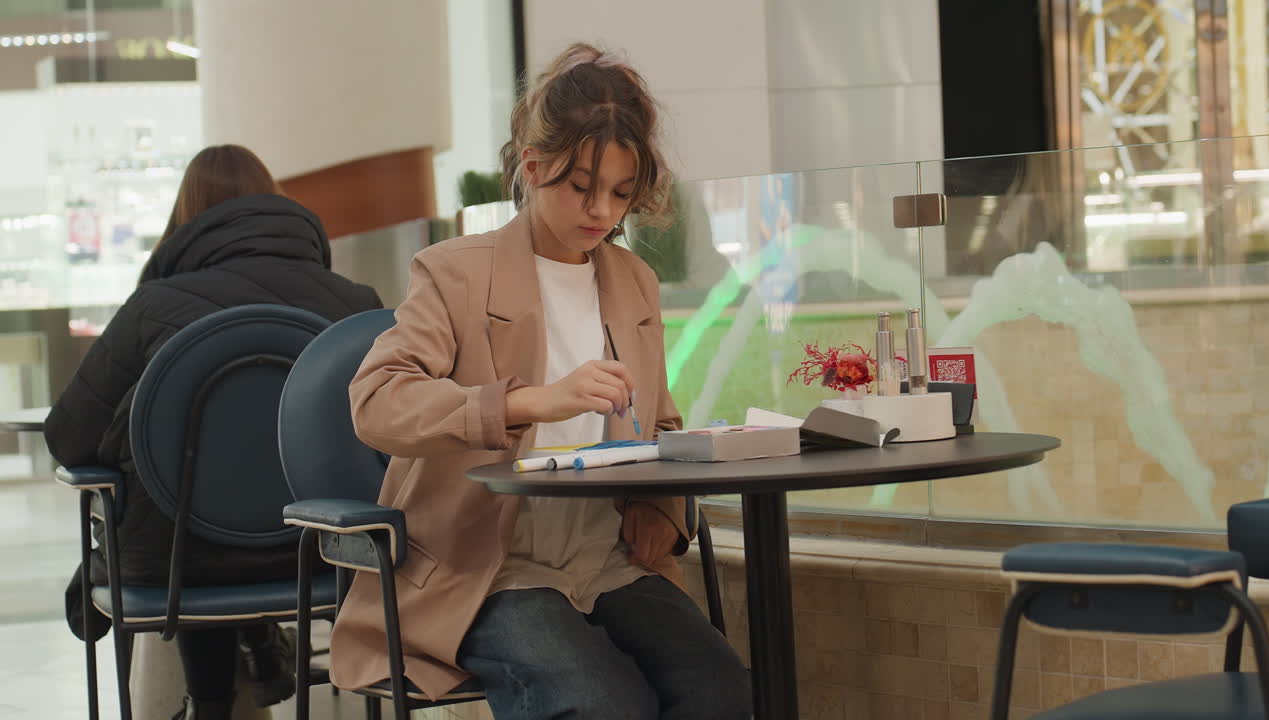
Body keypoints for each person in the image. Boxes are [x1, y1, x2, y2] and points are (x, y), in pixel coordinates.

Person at [328, 43, 753, 719]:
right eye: (580, 187)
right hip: (485, 561)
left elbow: (659, 422)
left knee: (720, 688)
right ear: (532, 166)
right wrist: (525, 401)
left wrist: (660, 511)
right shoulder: (453, 272)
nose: (601, 212)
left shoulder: (633, 281)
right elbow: (377, 402)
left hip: (603, 550)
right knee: (602, 702)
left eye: (619, 193)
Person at [44, 144, 383, 720]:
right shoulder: (354, 304)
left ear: (187, 220)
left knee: (192, 508)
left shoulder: (152, 307)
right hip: (326, 556)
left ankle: (211, 703)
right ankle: (262, 653)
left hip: (176, 568)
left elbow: (68, 439)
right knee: (237, 509)